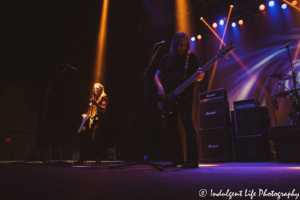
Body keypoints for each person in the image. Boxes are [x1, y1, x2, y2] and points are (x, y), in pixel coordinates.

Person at [154, 31, 205, 169]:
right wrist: (160, 88)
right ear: (173, 44)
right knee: (172, 127)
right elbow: (156, 76)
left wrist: (200, 75)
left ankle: (192, 160)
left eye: (184, 45)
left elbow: (199, 76)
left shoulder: (191, 58)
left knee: (187, 123)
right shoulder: (166, 58)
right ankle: (177, 159)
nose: (181, 48)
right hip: (169, 98)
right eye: (179, 45)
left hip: (185, 96)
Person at [76, 83, 109, 164]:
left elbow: (103, 109)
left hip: (99, 121)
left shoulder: (104, 98)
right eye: (94, 88)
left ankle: (98, 157)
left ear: (101, 89)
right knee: (82, 132)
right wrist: (86, 116)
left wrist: (95, 103)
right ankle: (82, 156)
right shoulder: (94, 99)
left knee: (94, 137)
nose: (95, 90)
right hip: (91, 120)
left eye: (97, 88)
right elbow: (90, 112)